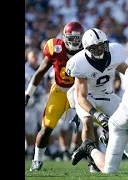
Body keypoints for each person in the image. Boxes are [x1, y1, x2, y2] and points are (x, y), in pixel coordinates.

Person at [66, 28, 128, 171]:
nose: (100, 50)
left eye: (102, 46)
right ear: (87, 48)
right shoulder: (79, 62)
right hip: (88, 97)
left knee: (126, 120)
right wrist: (97, 114)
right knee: (88, 121)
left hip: (107, 94)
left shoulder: (114, 52)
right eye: (95, 47)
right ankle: (92, 162)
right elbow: (81, 98)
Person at [25, 22, 86, 172]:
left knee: (93, 124)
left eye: (78, 39)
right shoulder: (55, 47)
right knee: (46, 128)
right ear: (64, 38)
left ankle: (92, 160)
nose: (75, 42)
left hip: (79, 91)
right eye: (71, 39)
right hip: (59, 91)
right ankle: (37, 160)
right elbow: (40, 72)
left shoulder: (87, 50)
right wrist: (28, 93)